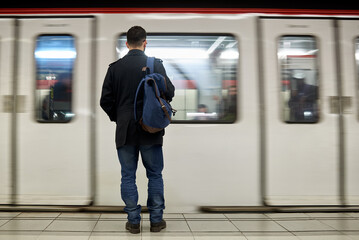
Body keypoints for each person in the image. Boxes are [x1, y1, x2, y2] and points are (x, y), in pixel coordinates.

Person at [100, 26, 175, 234]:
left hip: (125, 131)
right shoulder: (155, 64)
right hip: (151, 129)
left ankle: (133, 221)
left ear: (126, 44)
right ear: (145, 42)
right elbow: (170, 91)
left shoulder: (115, 68)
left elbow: (105, 100)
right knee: (155, 175)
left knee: (127, 176)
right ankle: (156, 221)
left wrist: (120, 117)